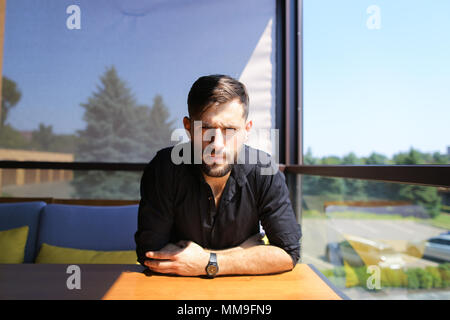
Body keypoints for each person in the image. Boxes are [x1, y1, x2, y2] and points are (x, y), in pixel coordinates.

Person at [135, 74, 301, 277]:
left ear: (247, 130)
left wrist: (206, 261)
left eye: (230, 129)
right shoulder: (164, 168)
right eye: (206, 128)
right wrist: (243, 253)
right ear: (188, 128)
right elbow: (151, 255)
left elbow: (288, 254)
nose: (218, 145)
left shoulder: (264, 170)